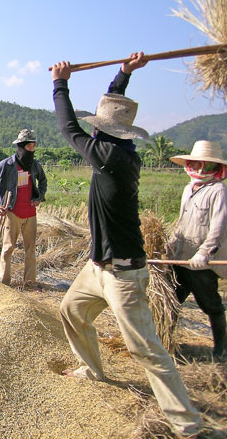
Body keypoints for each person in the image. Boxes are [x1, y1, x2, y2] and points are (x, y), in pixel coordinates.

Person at [52, 54, 201, 437]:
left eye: (99, 127)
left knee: (146, 351)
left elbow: (69, 128)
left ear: (106, 134)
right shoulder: (117, 151)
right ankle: (92, 370)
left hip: (122, 273)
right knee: (71, 310)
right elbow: (111, 113)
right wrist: (124, 74)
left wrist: (60, 83)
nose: (95, 131)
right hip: (97, 266)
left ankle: (188, 425)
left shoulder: (110, 157)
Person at [168, 140, 227, 359]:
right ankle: (165, 342)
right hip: (180, 259)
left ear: (215, 168)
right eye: (197, 164)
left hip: (200, 263)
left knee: (211, 305)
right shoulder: (189, 188)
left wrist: (204, 253)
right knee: (171, 301)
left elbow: (219, 227)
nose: (201, 169)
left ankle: (222, 348)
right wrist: (170, 247)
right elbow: (182, 222)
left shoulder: (218, 190)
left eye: (207, 165)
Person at [0, 129, 47, 288]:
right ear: (21, 147)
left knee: (31, 250)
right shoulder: (7, 165)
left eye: (34, 147)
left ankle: (29, 283)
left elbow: (43, 181)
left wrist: (39, 197)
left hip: (30, 214)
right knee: (7, 249)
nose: (32, 150)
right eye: (29, 147)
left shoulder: (34, 165)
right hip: (12, 212)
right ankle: (5, 284)